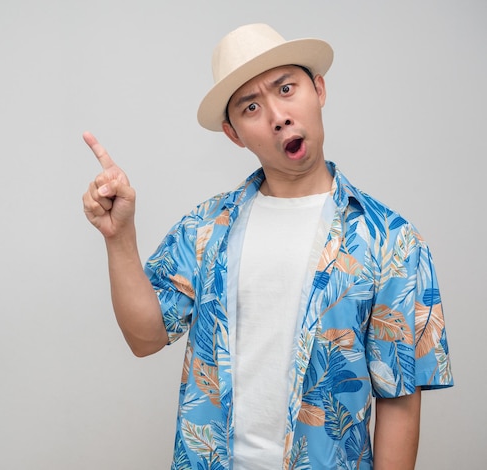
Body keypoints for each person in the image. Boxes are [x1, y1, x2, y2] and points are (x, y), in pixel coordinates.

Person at [82, 23, 453, 470]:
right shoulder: (205, 229)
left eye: (287, 88)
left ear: (318, 90)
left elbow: (399, 402)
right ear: (234, 133)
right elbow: (145, 337)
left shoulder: (392, 241)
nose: (278, 115)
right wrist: (119, 237)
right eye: (252, 107)